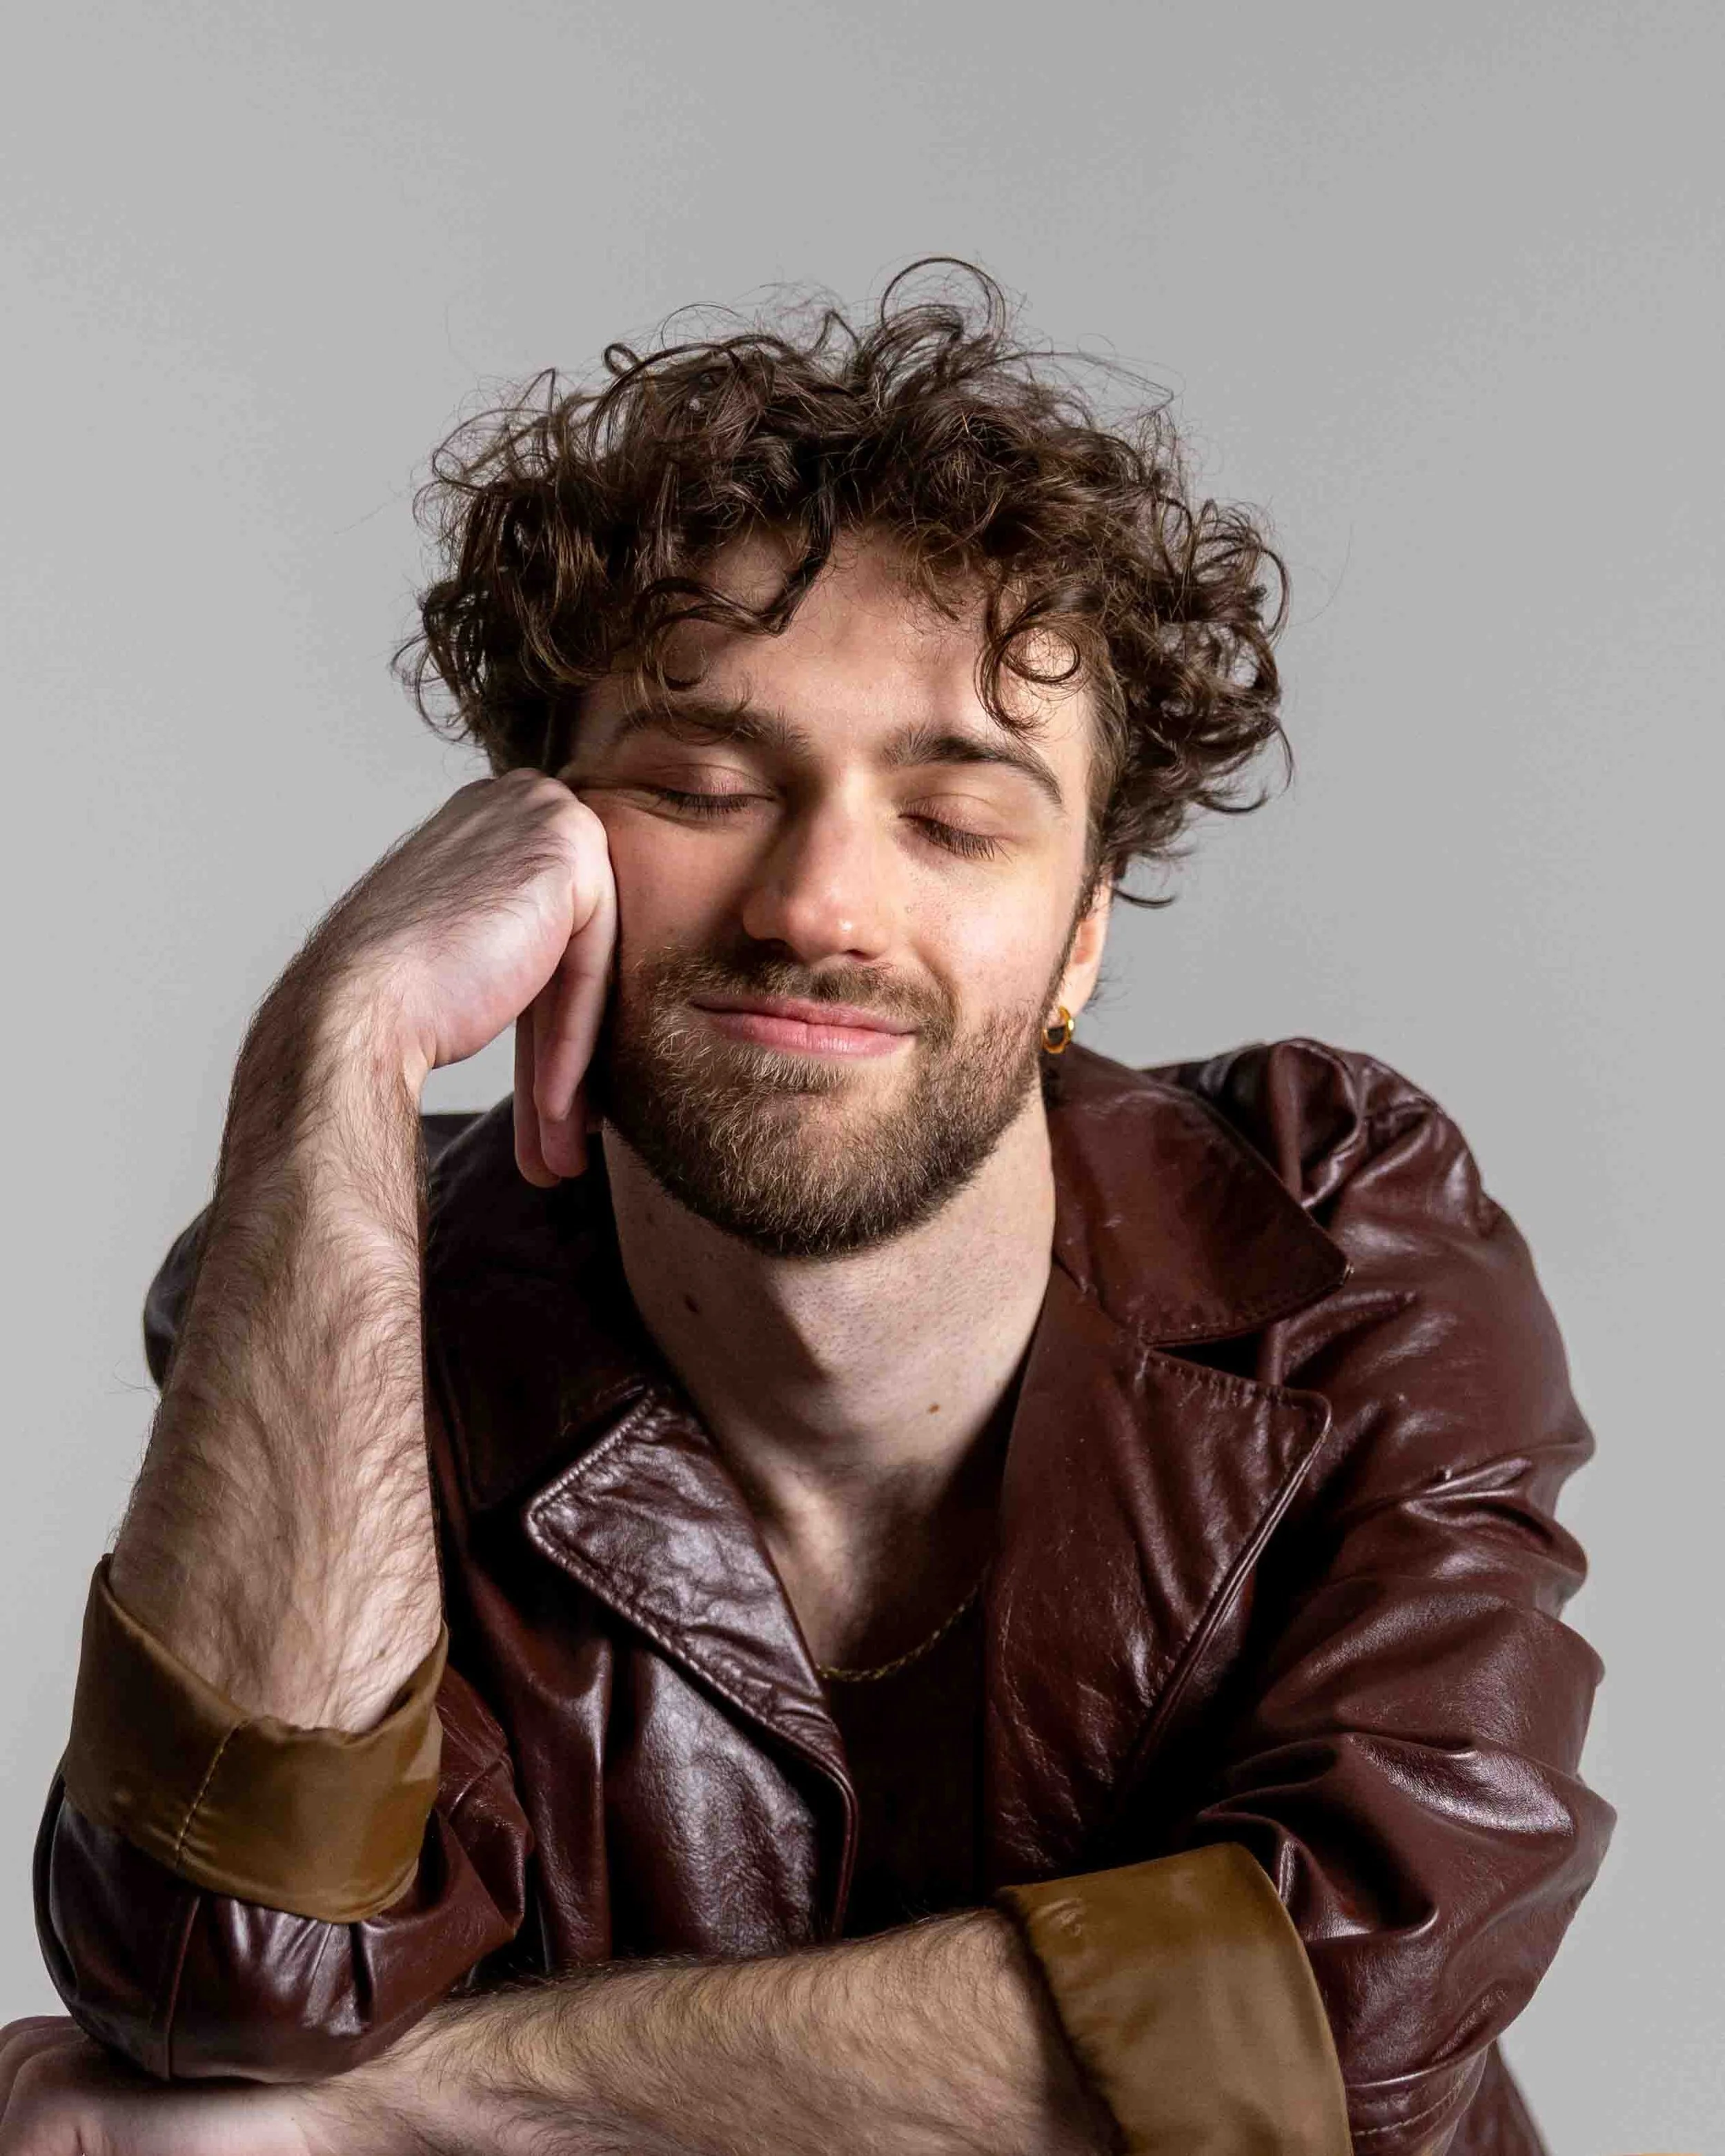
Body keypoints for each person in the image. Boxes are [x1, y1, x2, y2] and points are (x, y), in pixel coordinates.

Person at [3, 266, 1611, 2156]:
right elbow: (222, 1969)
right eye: (700, 782)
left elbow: (1328, 2023)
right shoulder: (362, 1293)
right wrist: (333, 1045)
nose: (819, 904)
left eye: (954, 817)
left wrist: (402, 2115)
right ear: (525, 856)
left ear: (1081, 929)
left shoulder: (1333, 1234)